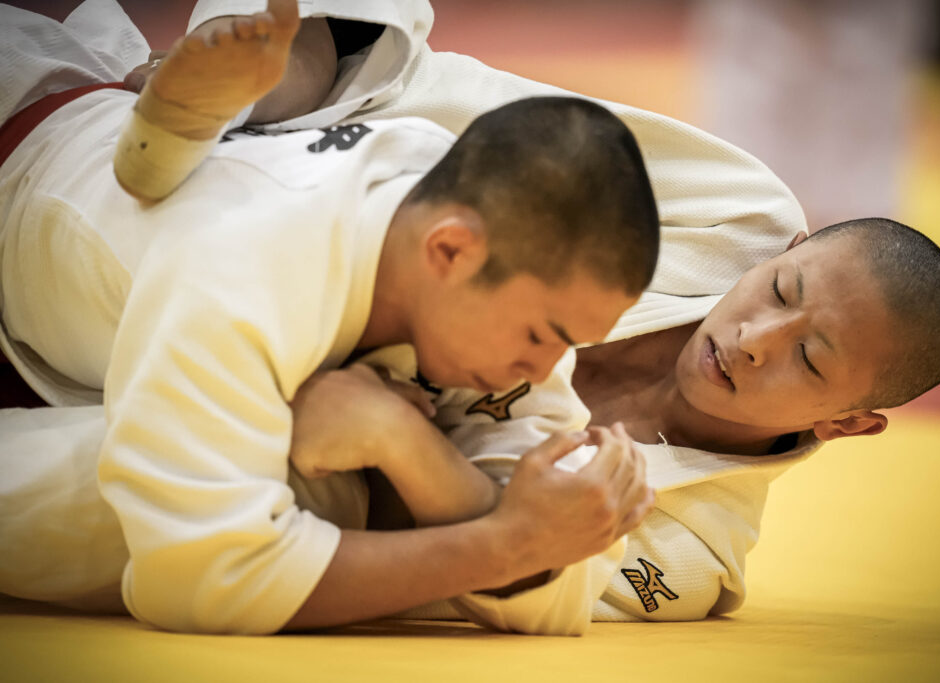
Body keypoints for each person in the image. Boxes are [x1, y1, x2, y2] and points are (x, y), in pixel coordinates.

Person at [0, 2, 663, 634]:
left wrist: (407, 445)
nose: (544, 370)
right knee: (299, 493)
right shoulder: (255, 254)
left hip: (81, 346)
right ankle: (249, 86)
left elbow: (565, 584)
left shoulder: (480, 245)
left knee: (314, 492)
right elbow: (205, 582)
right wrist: (502, 546)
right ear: (450, 250)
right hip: (25, 156)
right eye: (540, 336)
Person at [292, 217, 940, 634]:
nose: (755, 339)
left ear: (846, 423)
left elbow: (516, 588)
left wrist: (398, 438)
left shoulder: (696, 551)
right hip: (306, 317)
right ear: (779, 251)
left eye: (810, 359)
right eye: (780, 290)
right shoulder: (709, 224)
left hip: (293, 509)